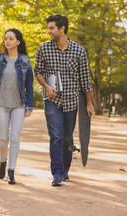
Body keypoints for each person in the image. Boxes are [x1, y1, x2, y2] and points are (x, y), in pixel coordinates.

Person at [34, 15, 94, 186]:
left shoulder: (79, 51)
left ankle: (65, 170)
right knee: (55, 137)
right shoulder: (44, 49)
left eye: (51, 28)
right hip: (52, 100)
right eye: (48, 28)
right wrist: (46, 86)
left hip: (71, 101)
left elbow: (85, 79)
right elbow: (37, 71)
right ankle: (57, 173)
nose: (48, 31)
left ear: (62, 29)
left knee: (67, 139)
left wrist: (88, 103)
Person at [0, 29, 33, 184]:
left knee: (15, 137)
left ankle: (11, 170)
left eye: (11, 39)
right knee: (3, 139)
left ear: (18, 41)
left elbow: (29, 85)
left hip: (19, 104)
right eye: (6, 39)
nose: (7, 41)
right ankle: (3, 161)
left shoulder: (25, 60)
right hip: (1, 104)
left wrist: (29, 105)